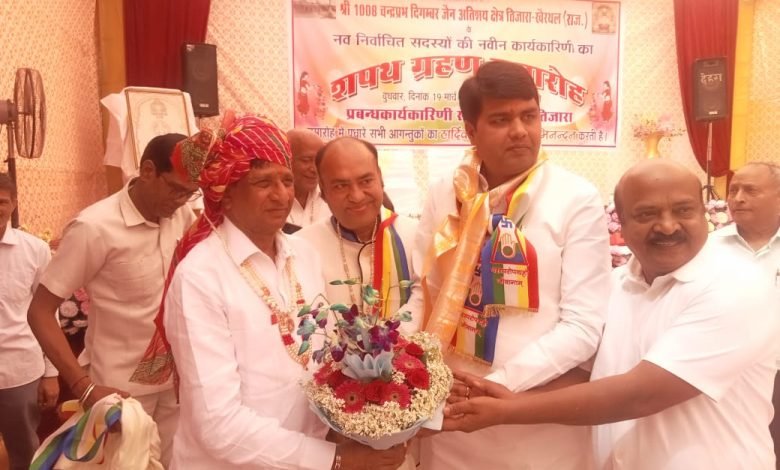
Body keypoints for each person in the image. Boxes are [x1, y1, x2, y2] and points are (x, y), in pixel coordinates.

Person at [444, 160, 778, 470]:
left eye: (683, 210)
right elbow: (587, 375)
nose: (667, 226)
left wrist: (507, 410)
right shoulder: (617, 285)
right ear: (621, 223)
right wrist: (491, 392)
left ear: (703, 212)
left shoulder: (739, 285)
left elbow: (641, 393)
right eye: (646, 214)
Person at [139, 113, 406, 469]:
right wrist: (338, 459)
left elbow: (322, 359)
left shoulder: (304, 255)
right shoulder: (200, 277)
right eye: (262, 182)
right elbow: (219, 425)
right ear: (225, 193)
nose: (281, 195)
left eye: (286, 180)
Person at [416, 60, 611, 469]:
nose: (520, 130)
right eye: (501, 120)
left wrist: (495, 388)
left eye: (529, 116)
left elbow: (583, 326)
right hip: (449, 413)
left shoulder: (575, 198)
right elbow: (425, 289)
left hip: (534, 417)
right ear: (471, 131)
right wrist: (405, 367)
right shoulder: (445, 193)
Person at [27, 133, 203, 467]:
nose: (182, 200)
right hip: (120, 391)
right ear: (148, 171)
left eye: (190, 192)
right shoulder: (94, 227)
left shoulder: (180, 216)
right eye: (176, 189)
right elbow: (40, 312)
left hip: (177, 383)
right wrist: (84, 387)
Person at [297, 137, 422, 337]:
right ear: (323, 191)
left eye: (365, 181)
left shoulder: (416, 236)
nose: (356, 196)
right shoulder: (301, 248)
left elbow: (426, 300)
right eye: (340, 186)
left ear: (380, 179)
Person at [709, 161, 780, 464]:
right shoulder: (708, 249)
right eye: (734, 190)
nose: (737, 198)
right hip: (728, 375)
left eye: (750, 190)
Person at [0, 173, 57, 470]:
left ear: (13, 203)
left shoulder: (35, 250)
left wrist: (51, 373)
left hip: (19, 373)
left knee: (24, 453)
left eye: (1, 201)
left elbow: (49, 313)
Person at [286, 128, 331, 230]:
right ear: (287, 159)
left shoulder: (330, 197)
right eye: (306, 160)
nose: (314, 169)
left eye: (318, 161)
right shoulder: (273, 199)